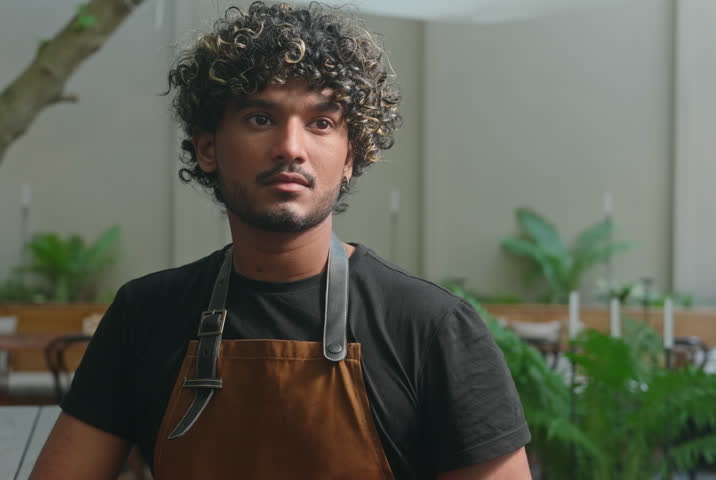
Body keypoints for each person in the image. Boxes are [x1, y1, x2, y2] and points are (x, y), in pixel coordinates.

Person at [30, 2, 532, 479]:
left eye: (321, 123)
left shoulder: (431, 328)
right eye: (260, 119)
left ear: (352, 155)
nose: (290, 148)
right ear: (207, 148)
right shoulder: (145, 316)